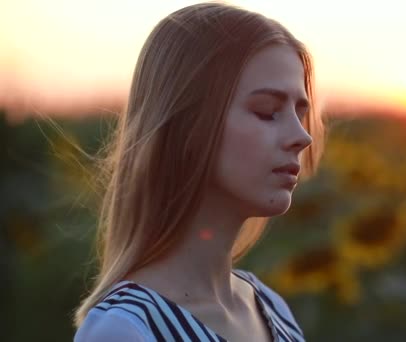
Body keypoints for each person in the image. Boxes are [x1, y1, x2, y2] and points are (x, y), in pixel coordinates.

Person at [72, 2, 326, 341]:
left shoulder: (270, 307)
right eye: (267, 112)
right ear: (188, 126)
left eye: (300, 112)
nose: (302, 136)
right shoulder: (126, 330)